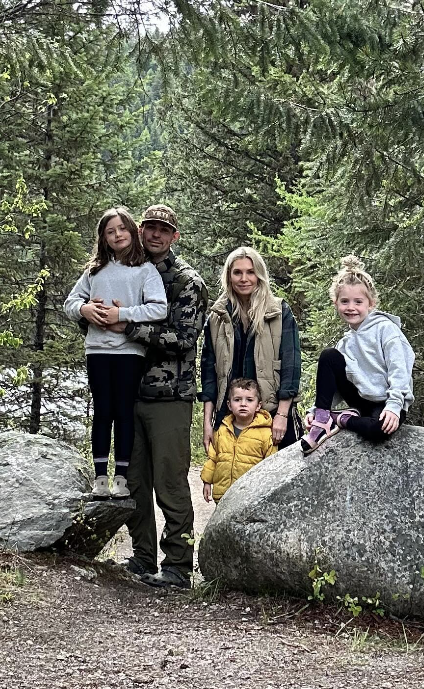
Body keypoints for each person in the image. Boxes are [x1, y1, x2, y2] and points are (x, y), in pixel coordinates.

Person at [117, 204, 209, 590]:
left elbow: (185, 339)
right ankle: (142, 557)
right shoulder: (123, 272)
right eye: (150, 228)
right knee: (134, 481)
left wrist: (131, 326)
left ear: (174, 236)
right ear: (140, 230)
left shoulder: (187, 281)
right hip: (128, 393)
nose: (155, 235)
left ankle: (177, 566)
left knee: (169, 483)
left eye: (163, 230)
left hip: (170, 395)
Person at [64, 207, 167, 498]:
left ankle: (120, 477)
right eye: (110, 231)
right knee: (102, 410)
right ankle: (100, 477)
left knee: (123, 412)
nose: (117, 235)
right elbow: (70, 303)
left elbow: (159, 308)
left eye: (122, 228)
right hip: (96, 350)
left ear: (133, 231)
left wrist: (122, 314)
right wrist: (85, 309)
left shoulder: (144, 270)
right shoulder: (94, 270)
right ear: (103, 238)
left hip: (129, 353)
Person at [300, 255, 414, 454]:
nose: (351, 307)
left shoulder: (386, 329)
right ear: (336, 304)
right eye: (344, 301)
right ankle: (322, 418)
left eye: (358, 302)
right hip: (361, 401)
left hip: (387, 402)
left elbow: (400, 369)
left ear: (370, 303)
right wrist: (315, 410)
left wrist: (394, 406)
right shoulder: (345, 342)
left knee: (379, 430)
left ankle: (339, 419)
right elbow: (335, 385)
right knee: (329, 356)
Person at [201, 246, 301, 452]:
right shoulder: (216, 317)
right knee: (228, 477)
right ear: (229, 276)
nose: (243, 278)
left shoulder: (280, 312)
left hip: (272, 412)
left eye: (250, 272)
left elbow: (291, 367)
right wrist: (207, 423)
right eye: (237, 272)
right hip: (229, 415)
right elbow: (209, 374)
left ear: (260, 275)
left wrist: (282, 415)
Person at [201, 378, 277, 504]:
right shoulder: (222, 430)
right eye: (237, 400)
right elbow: (213, 459)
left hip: (251, 497)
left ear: (258, 405)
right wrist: (207, 482)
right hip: (223, 495)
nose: (243, 404)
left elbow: (271, 466)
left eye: (249, 400)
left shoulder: (265, 434)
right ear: (229, 405)